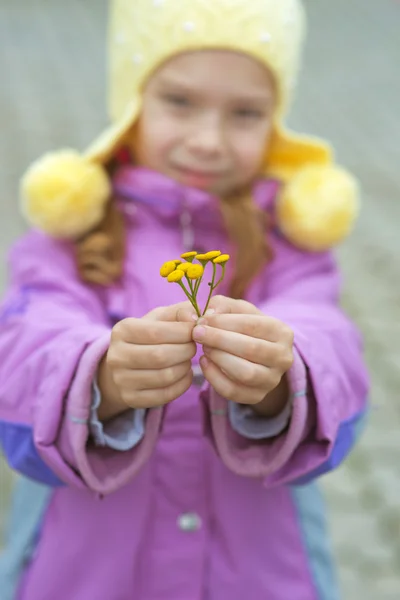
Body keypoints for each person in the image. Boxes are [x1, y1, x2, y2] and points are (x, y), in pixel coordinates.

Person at [0, 0, 369, 598]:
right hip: (84, 574)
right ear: (130, 102)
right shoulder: (70, 237)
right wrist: (104, 380)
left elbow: (329, 336)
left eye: (245, 113)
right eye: (179, 102)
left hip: (258, 576)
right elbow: (25, 347)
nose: (208, 140)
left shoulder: (289, 243)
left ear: (275, 121)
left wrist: (282, 376)